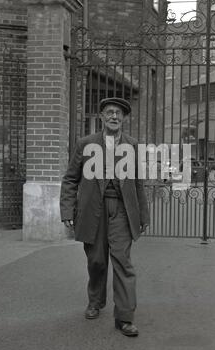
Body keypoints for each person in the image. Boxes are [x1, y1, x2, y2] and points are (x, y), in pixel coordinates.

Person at [60, 97, 150, 337]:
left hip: (121, 210)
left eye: (118, 113)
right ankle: (95, 301)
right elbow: (70, 179)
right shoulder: (85, 144)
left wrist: (143, 213)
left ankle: (125, 317)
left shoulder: (132, 145)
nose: (114, 117)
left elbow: (139, 183)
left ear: (123, 118)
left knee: (123, 261)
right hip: (93, 210)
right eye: (109, 112)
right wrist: (68, 210)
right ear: (101, 117)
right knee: (97, 260)